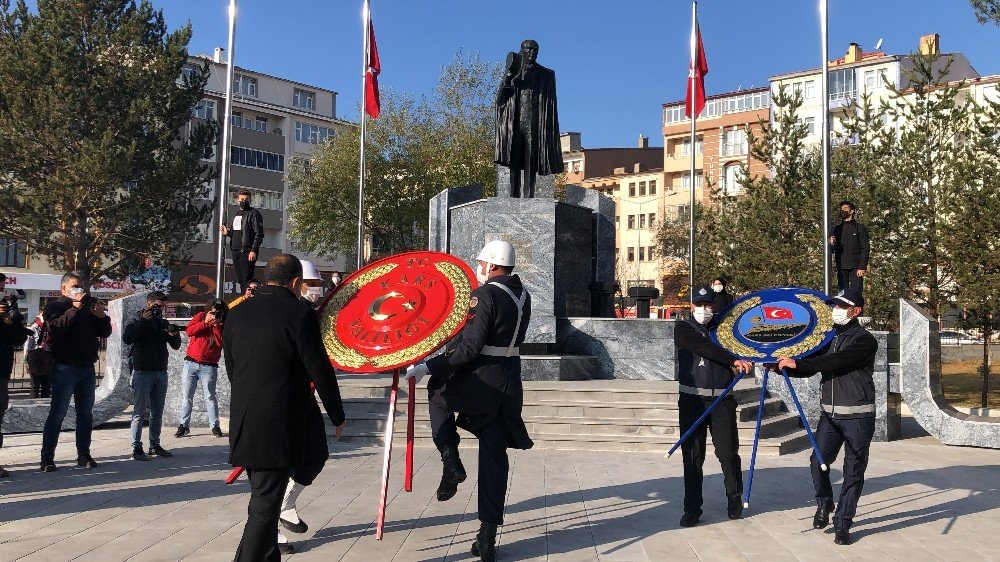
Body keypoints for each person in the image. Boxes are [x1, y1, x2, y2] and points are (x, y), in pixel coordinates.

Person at [405, 240, 533, 562]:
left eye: (482, 262)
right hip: (508, 385)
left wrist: (427, 365)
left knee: (438, 391)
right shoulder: (523, 296)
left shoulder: (485, 295)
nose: (479, 267)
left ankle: (451, 461)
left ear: (491, 265)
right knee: (494, 460)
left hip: (482, 384)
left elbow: (470, 347)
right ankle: (487, 539)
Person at [224, 254, 346, 562]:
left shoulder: (237, 313)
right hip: (276, 422)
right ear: (295, 282)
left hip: (246, 417)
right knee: (264, 507)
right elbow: (319, 368)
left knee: (266, 497)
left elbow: (231, 367)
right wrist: (337, 413)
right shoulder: (297, 313)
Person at [777, 287, 878, 546]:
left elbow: (835, 362)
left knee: (853, 471)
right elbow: (811, 365)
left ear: (856, 311)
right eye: (835, 305)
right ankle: (824, 503)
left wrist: (799, 363)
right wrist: (781, 368)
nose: (837, 310)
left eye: (843, 306)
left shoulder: (865, 341)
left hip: (858, 416)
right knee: (817, 462)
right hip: (830, 416)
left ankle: (843, 523)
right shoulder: (828, 338)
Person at [674, 285, 754, 528]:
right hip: (693, 400)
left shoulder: (725, 331)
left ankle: (734, 500)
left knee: (728, 453)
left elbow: (750, 341)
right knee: (693, 456)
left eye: (708, 305)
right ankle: (692, 509)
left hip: (722, 400)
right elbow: (701, 347)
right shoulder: (683, 328)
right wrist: (732, 359)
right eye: (699, 305)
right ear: (692, 306)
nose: (704, 309)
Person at [40, 272, 113, 472]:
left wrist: (102, 317)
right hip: (65, 367)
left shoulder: (88, 305)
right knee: (58, 413)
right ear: (64, 289)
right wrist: (75, 308)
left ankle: (83, 454)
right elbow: (55, 328)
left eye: (81, 286)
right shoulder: (55, 306)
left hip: (87, 368)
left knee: (85, 414)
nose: (79, 290)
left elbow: (104, 332)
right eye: (74, 287)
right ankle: (47, 458)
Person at [494, 39, 562, 198]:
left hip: (535, 121)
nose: (532, 53)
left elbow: (551, 104)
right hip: (515, 120)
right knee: (514, 158)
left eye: (535, 50)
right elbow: (500, 99)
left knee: (531, 159)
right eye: (529, 49)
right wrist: (508, 77)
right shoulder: (513, 70)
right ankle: (513, 195)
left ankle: (529, 196)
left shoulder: (546, 74)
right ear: (522, 50)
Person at [122, 291, 181, 461]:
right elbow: (128, 338)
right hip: (142, 371)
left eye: (162, 306)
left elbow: (175, 346)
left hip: (160, 371)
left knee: (157, 411)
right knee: (139, 411)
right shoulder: (137, 320)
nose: (159, 309)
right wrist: (144, 321)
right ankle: (136, 447)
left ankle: (155, 444)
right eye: (156, 305)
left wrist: (173, 334)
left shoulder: (162, 323)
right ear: (148, 304)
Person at [175, 299, 227, 439]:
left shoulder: (222, 323)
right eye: (213, 311)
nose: (215, 314)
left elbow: (220, 342)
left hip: (209, 366)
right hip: (191, 362)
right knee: (187, 396)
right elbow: (189, 331)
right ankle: (184, 425)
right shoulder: (200, 317)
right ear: (208, 309)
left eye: (218, 312)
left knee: (210, 396)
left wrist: (215, 325)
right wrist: (205, 322)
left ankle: (214, 425)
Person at [1, 275, 31, 478]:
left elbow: (19, 338)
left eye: (2, 289)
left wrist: (11, 321)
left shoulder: (6, 309)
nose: (2, 293)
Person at [220, 188, 264, 292]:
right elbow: (237, 232)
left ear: (250, 200)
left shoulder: (253, 213)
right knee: (240, 280)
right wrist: (228, 233)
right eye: (242, 199)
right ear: (237, 200)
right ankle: (244, 297)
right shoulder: (237, 214)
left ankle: (249, 299)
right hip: (235, 250)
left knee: (247, 279)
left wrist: (253, 250)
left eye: (246, 199)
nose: (244, 201)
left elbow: (259, 233)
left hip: (246, 251)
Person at [829, 200, 870, 294]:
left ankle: (857, 309)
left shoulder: (860, 228)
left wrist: (862, 266)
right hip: (841, 266)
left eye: (845, 209)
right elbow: (832, 250)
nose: (842, 211)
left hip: (856, 267)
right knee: (843, 293)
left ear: (851, 211)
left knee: (856, 294)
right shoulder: (836, 229)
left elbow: (865, 247)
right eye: (841, 209)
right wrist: (831, 243)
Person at [24, 312, 54, 398]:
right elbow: (27, 346)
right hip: (36, 361)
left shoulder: (50, 329)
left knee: (47, 386)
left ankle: (45, 407)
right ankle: (33, 406)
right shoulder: (33, 328)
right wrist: (26, 363)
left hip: (47, 360)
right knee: (35, 386)